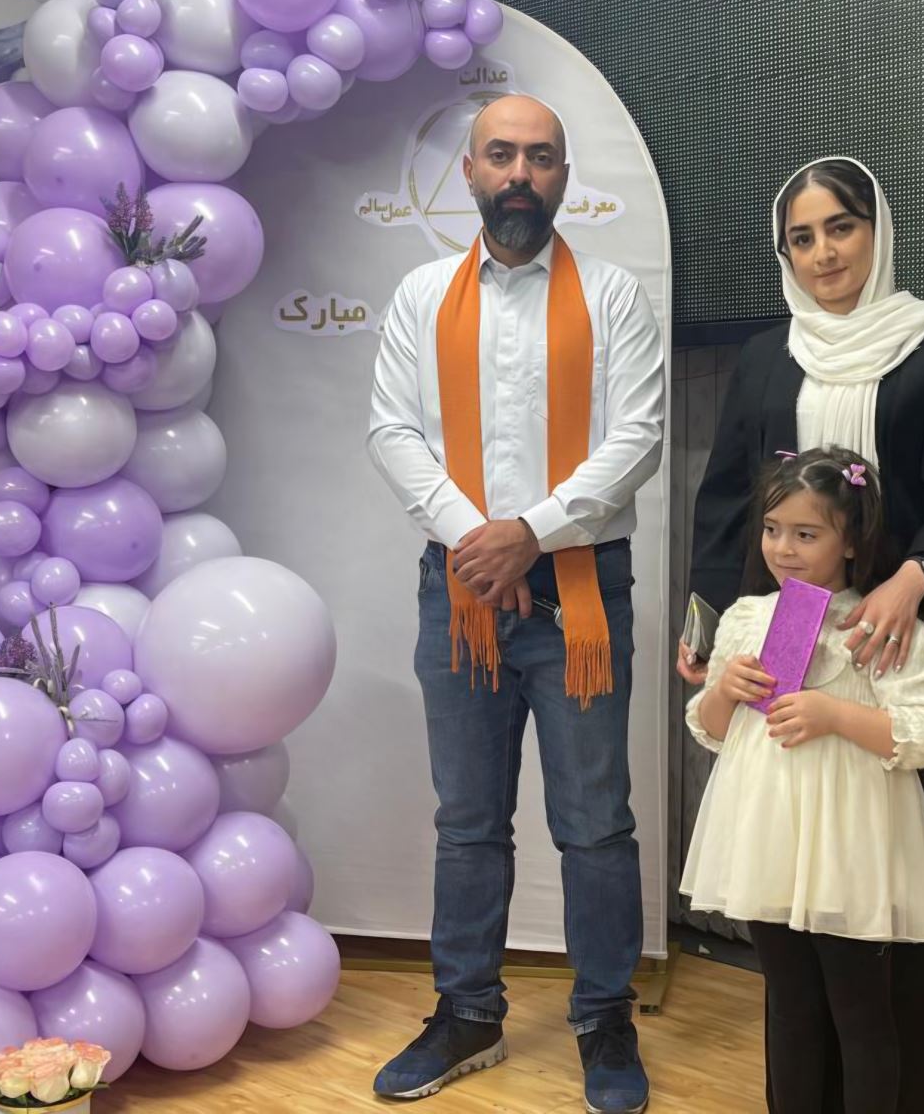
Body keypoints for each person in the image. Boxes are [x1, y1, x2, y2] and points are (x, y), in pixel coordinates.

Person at [367, 94, 665, 1113]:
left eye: (540, 158)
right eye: (502, 155)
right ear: (469, 172)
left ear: (564, 177)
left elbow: (638, 438)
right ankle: (467, 1012)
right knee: (467, 820)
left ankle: (605, 1017)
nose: (520, 175)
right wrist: (478, 541)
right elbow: (393, 432)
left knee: (595, 824)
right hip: (460, 590)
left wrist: (528, 533)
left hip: (578, 590)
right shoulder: (421, 296)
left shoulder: (613, 296)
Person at [682, 156, 924, 1111]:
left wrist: (911, 580)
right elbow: (727, 505)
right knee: (791, 931)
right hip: (785, 649)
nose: (824, 253)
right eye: (802, 237)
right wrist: (707, 627)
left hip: (893, 654)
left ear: (877, 230)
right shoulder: (764, 358)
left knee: (880, 930)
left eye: (841, 227)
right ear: (783, 252)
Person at [681, 446, 924, 1112]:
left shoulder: (883, 628)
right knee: (790, 1006)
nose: (784, 548)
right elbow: (710, 728)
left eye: (807, 534)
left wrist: (835, 715)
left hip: (852, 846)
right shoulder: (747, 618)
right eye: (773, 529)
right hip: (771, 839)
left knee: (862, 1015)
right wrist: (726, 690)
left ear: (852, 540)